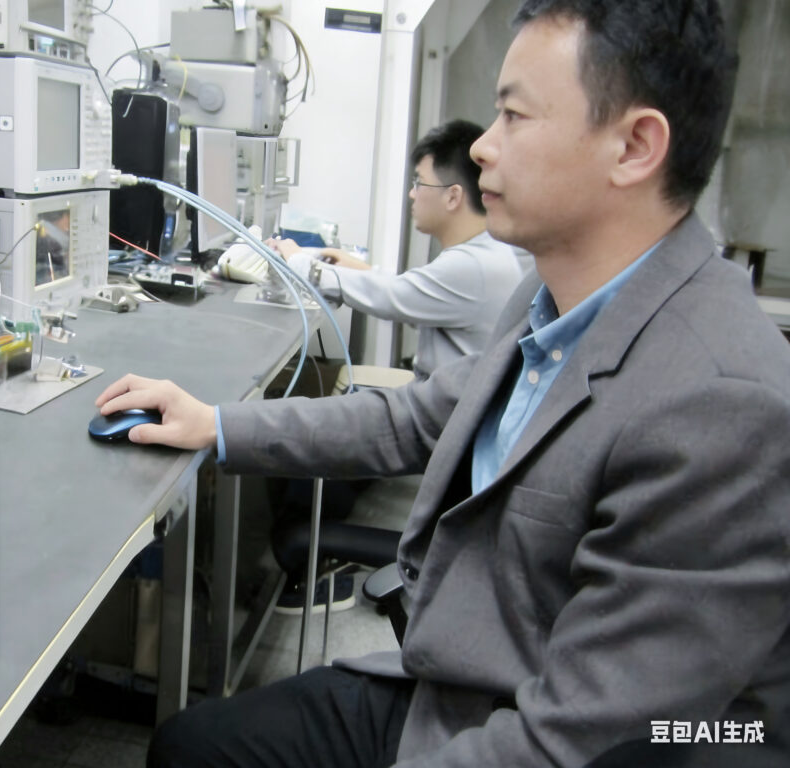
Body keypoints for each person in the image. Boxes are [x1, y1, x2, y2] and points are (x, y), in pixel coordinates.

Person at [96, 1, 790, 765]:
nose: (484, 149)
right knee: (193, 747)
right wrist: (217, 425)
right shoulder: (556, 299)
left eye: (514, 116)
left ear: (634, 146)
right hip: (457, 686)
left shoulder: (721, 401)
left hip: (533, 730)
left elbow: (591, 737)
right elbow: (412, 420)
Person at [272, 119, 524, 380]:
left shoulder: (473, 266)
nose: (412, 194)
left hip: (443, 413)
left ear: (452, 196)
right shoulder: (485, 251)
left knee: (309, 388)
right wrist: (361, 268)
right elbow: (417, 293)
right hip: (440, 396)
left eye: (420, 183)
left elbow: (392, 297)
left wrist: (298, 261)